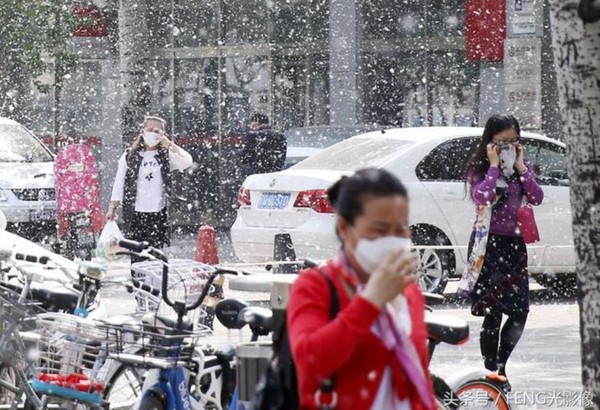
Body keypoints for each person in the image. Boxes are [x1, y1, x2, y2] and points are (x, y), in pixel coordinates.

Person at [287, 168, 436, 410]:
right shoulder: (316, 286)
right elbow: (310, 361)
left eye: (400, 230)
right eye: (379, 230)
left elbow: (418, 379)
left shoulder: (408, 293)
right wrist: (370, 302)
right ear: (345, 228)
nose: (392, 239)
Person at [465, 114, 544, 392]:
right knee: (493, 312)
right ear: (490, 142)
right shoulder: (480, 168)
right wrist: (494, 167)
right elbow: (482, 197)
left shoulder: (522, 169)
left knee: (520, 310)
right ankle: (493, 374)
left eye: (513, 141)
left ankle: (501, 365)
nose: (508, 147)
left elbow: (536, 197)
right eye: (502, 142)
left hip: (514, 246)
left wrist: (522, 168)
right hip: (488, 245)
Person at [106, 115, 193, 253]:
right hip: (135, 212)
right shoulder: (130, 155)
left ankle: (154, 274)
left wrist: (169, 144)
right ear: (143, 131)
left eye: (158, 131)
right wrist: (112, 207)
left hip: (158, 212)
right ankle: (137, 274)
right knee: (136, 253)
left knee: (155, 254)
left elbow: (187, 161)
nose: (153, 133)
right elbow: (119, 181)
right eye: (150, 129)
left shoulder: (165, 155)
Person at [240, 112, 286, 176]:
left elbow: (245, 157)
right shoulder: (280, 136)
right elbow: (282, 157)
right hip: (275, 173)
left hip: (257, 172)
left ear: (256, 123)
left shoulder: (253, 136)